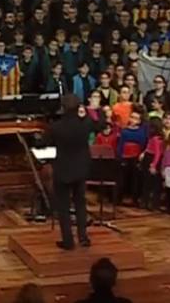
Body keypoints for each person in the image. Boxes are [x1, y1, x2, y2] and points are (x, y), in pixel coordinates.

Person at [46, 99, 101, 249]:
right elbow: (101, 125)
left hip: (63, 170)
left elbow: (46, 143)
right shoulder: (85, 124)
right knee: (80, 203)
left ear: (63, 108)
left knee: (63, 207)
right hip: (81, 169)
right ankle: (83, 237)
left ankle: (68, 241)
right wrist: (93, 110)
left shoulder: (55, 127)